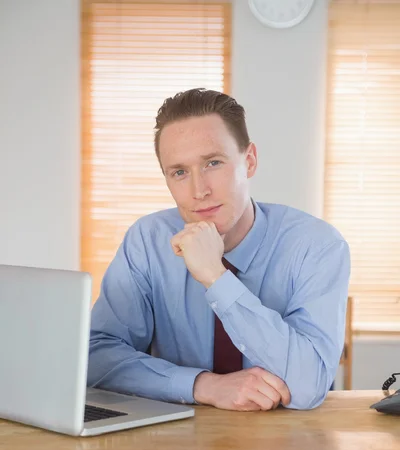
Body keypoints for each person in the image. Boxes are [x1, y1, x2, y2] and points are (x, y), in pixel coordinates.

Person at [87, 88, 350, 411]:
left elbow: (308, 386)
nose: (199, 191)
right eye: (179, 172)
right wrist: (203, 385)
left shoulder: (316, 246)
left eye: (213, 163)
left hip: (288, 445)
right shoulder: (147, 241)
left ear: (249, 161)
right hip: (175, 444)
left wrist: (216, 277)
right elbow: (96, 357)